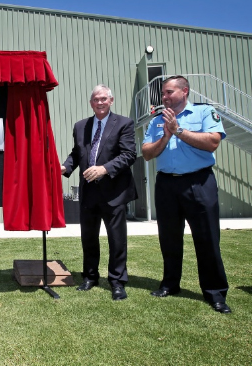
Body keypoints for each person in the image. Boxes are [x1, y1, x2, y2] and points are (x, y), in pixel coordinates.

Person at [142, 75, 231, 314]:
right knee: (169, 238)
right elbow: (147, 153)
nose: (164, 97)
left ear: (185, 91)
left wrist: (178, 130)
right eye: (163, 93)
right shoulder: (157, 121)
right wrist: (166, 135)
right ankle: (170, 284)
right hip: (167, 185)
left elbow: (212, 142)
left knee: (207, 239)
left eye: (169, 92)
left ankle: (215, 293)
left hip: (199, 182)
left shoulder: (204, 113)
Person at [61, 84, 137, 301]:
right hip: (89, 192)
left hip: (114, 192)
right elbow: (77, 153)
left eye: (104, 98)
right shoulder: (80, 126)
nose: (100, 102)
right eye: (96, 99)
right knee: (89, 238)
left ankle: (117, 281)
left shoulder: (124, 123)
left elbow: (129, 154)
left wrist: (105, 169)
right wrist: (65, 167)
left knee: (117, 239)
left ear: (111, 100)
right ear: (91, 103)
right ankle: (90, 277)